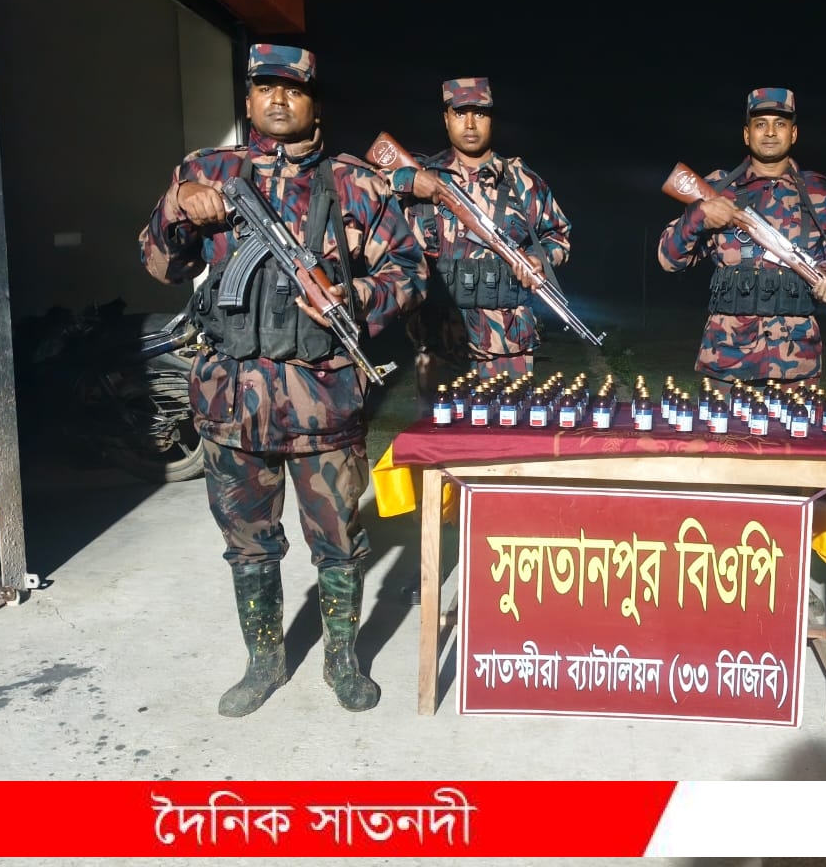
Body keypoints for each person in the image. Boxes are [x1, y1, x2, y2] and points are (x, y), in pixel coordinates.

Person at [138, 44, 426, 717]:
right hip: (231, 404)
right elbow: (159, 264)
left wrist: (355, 298)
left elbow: (410, 270)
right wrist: (176, 207)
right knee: (248, 546)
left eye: (293, 89)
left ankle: (341, 661)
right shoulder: (206, 171)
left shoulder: (353, 182)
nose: (277, 98)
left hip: (323, 401)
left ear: (313, 104)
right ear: (247, 99)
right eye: (264, 86)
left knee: (339, 543)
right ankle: (264, 662)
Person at [657, 87, 826, 390]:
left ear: (794, 133)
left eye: (780, 124)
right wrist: (698, 216)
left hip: (796, 364)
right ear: (747, 135)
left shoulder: (819, 194)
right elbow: (668, 260)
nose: (770, 132)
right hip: (726, 360)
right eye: (761, 124)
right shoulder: (719, 188)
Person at [385, 77, 574, 383]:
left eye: (480, 113)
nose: (470, 124)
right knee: (437, 417)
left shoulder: (523, 181)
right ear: (446, 119)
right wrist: (403, 181)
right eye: (460, 113)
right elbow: (357, 194)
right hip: (438, 344)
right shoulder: (422, 178)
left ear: (492, 119)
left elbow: (558, 236)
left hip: (507, 346)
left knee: (509, 416)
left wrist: (540, 259)